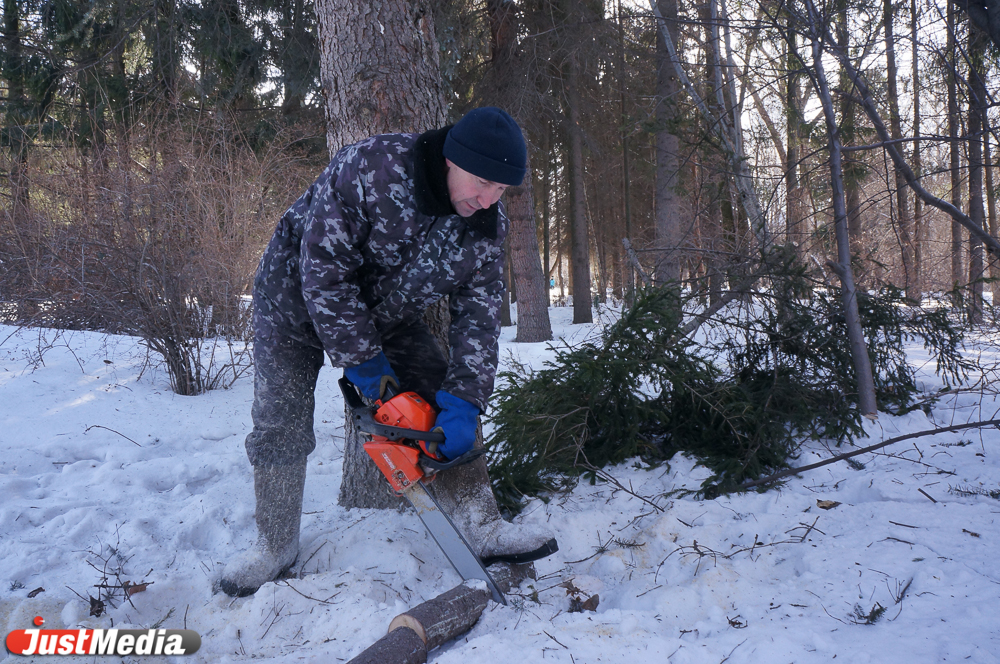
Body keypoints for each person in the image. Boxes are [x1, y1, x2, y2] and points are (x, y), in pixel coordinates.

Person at [220, 107, 558, 598]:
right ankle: (273, 545)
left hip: (386, 318)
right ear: (451, 159)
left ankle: (482, 525)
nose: (488, 199)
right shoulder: (372, 168)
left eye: (501, 189)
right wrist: (365, 364)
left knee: (437, 391)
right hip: (291, 307)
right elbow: (324, 273)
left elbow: (480, 316)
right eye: (482, 181)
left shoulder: (486, 227)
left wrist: (466, 399)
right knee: (279, 421)